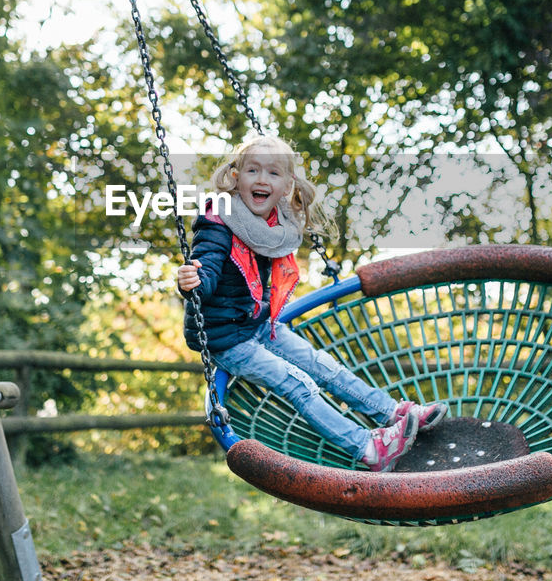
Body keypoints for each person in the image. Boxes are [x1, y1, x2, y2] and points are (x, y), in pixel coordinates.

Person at [175, 135, 447, 472]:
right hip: (226, 338)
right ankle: (369, 448)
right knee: (296, 381)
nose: (262, 179)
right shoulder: (218, 222)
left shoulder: (273, 224)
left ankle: (392, 412)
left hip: (259, 323)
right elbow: (209, 268)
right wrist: (195, 281)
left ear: (287, 185)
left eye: (273, 174)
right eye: (253, 170)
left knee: (323, 366)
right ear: (236, 176)